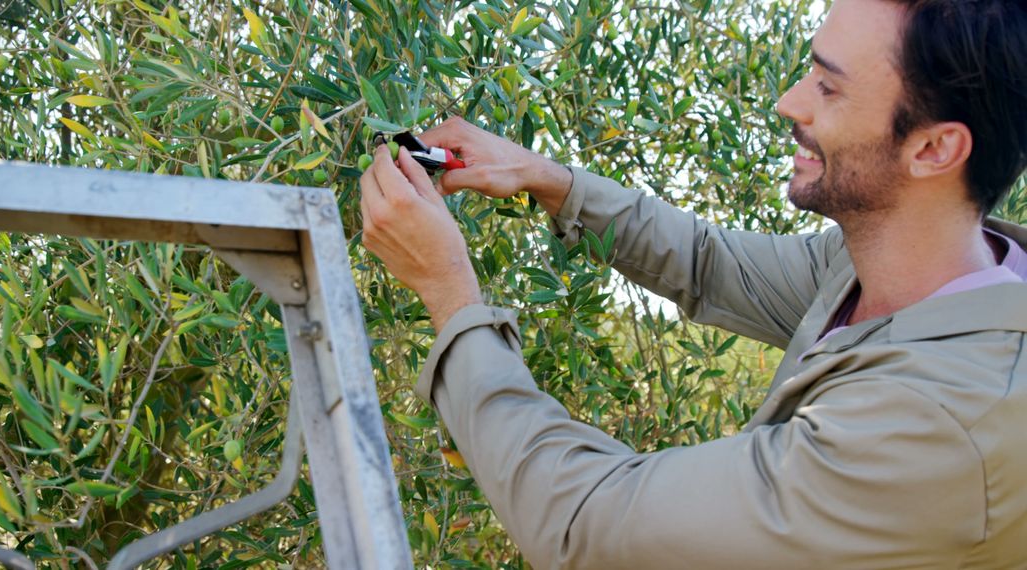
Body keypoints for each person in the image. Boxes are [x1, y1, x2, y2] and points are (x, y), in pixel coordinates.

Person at [358, 0, 1027, 566]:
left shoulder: (941, 428)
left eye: (828, 86)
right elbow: (710, 263)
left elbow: (585, 524)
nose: (786, 101)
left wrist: (449, 293)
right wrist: (544, 178)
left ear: (935, 149)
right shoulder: (884, 268)